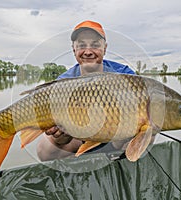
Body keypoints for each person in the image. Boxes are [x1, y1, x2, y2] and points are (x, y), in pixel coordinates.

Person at [37, 20, 135, 161]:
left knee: (148, 125)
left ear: (105, 48)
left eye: (95, 45)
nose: (88, 52)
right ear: (74, 49)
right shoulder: (63, 82)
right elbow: (57, 138)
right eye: (82, 46)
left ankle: (123, 161)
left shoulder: (125, 74)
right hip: (80, 134)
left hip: (116, 137)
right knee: (44, 151)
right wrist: (61, 137)